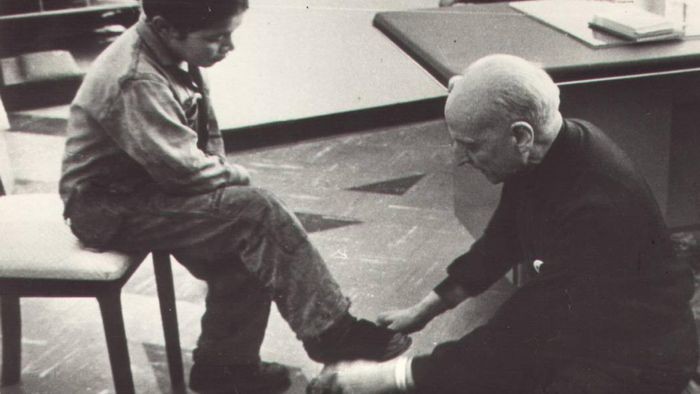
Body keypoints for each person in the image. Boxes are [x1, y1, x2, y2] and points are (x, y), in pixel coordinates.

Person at [58, 1, 411, 393]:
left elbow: (204, 140)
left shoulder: (168, 50)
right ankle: (330, 331)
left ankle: (224, 370)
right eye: (216, 38)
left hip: (146, 187)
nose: (228, 47)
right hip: (106, 207)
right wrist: (238, 178)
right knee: (255, 214)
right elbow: (184, 171)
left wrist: (227, 185)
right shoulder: (137, 77)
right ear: (164, 27)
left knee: (249, 244)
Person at [307, 54, 698, 394]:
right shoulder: (549, 150)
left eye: (471, 144)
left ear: (520, 136)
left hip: (636, 356)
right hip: (585, 329)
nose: (459, 157)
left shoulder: (597, 210)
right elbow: (501, 241)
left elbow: (522, 332)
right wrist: (424, 310)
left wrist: (387, 377)